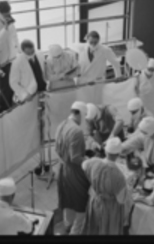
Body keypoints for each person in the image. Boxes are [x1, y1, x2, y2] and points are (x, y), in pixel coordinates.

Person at [82, 137, 133, 235]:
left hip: (95, 202)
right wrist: (128, 188)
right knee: (107, 229)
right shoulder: (119, 176)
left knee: (94, 227)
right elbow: (121, 200)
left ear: (105, 151)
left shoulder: (93, 163)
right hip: (109, 208)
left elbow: (83, 165)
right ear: (118, 154)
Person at [55, 101, 90, 235]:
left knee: (68, 201)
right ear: (79, 113)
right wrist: (88, 160)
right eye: (84, 116)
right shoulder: (77, 131)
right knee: (81, 205)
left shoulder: (61, 125)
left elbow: (58, 150)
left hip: (63, 170)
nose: (84, 120)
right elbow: (75, 158)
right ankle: (75, 232)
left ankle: (67, 226)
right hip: (74, 174)